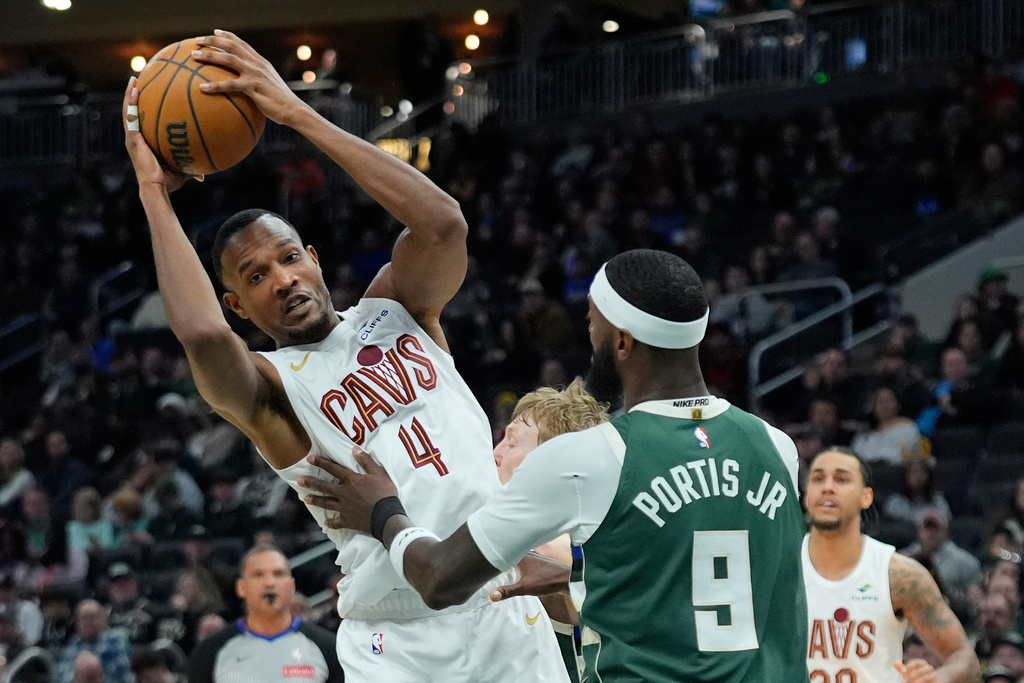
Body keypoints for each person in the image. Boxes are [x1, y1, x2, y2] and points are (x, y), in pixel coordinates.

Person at [122, 30, 566, 683]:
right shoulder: (272, 388)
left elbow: (443, 224)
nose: (282, 278)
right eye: (255, 274)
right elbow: (204, 338)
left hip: (501, 605)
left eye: (288, 255)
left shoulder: (398, 307)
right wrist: (153, 193)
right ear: (239, 305)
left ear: (315, 260)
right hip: (399, 639)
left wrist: (293, 111)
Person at [303, 249, 811, 682]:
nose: (588, 340)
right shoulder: (776, 447)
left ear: (622, 342)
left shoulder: (589, 455)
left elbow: (439, 580)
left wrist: (382, 510)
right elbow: (689, 578)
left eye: (592, 327)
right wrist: (578, 579)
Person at [802, 447, 979, 683]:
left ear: (866, 496)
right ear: (806, 495)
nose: (827, 487)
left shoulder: (899, 575)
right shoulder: (777, 567)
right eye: (818, 478)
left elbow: (964, 657)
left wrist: (938, 678)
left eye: (842, 479)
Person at [187, 545, 342, 683]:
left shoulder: (328, 648)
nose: (269, 583)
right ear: (241, 587)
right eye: (258, 575)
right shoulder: (210, 652)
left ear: (291, 586)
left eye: (278, 574)